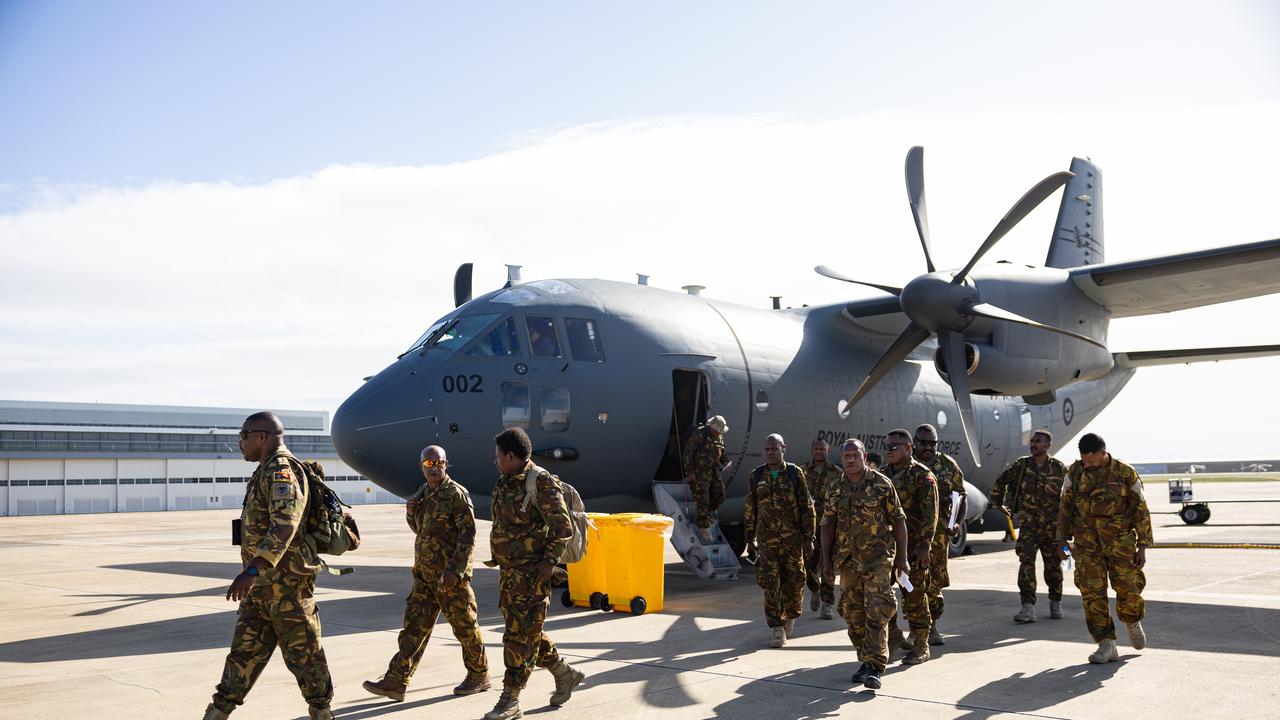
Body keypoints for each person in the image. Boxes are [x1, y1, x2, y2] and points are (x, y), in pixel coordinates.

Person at [203, 412, 334, 720]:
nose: (240, 443)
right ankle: (218, 712)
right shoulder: (264, 471)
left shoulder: (281, 471)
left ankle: (322, 712)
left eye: (243, 436)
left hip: (286, 587)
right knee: (243, 655)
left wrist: (252, 570)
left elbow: (285, 525)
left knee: (305, 657)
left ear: (261, 437)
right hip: (262, 588)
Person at [363, 445, 489, 702]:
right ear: (421, 466)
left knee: (465, 627)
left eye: (439, 463)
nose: (434, 468)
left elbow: (468, 538)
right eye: (429, 464)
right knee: (413, 628)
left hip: (450, 578)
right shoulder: (423, 493)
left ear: (446, 463)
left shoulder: (456, 494)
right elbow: (420, 530)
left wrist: (455, 571)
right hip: (424, 576)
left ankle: (479, 674)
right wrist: (411, 513)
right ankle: (396, 681)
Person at [485, 427, 585, 720]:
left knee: (518, 640)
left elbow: (563, 527)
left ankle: (510, 699)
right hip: (510, 574)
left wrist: (550, 560)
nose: (496, 461)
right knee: (528, 634)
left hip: (531, 576)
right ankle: (565, 674)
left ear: (512, 456)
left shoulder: (540, 482)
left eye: (498, 456)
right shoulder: (506, 481)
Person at [1057, 432, 1154, 664]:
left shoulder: (1124, 472)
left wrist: (1142, 545)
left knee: (1129, 588)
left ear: (1103, 452)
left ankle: (1131, 621)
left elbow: (1140, 509)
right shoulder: (1076, 472)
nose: (1088, 463)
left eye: (1092, 459)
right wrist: (1061, 539)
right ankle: (1106, 644)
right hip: (1086, 545)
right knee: (1091, 593)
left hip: (1120, 544)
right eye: (1084, 459)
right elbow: (1065, 506)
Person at [821, 438, 909, 690]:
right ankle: (865, 657)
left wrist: (901, 558)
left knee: (877, 609)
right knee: (852, 612)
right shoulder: (835, 487)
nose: (850, 460)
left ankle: (875, 665)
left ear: (864, 455)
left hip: (878, 559)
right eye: (846, 456)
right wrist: (826, 561)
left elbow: (899, 521)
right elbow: (827, 524)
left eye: (854, 455)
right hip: (847, 561)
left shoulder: (882, 484)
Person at [990, 429, 1068, 623]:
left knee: (1054, 567)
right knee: (1026, 565)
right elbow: (1001, 481)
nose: (1033, 444)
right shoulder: (1022, 465)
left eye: (1038, 441)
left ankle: (1055, 601)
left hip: (1052, 528)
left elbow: (1070, 498)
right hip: (1029, 527)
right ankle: (1027, 607)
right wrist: (1000, 505)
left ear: (1048, 445)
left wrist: (1068, 529)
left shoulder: (1059, 469)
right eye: (1032, 441)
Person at [744, 433, 815, 647]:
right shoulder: (756, 476)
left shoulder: (795, 474)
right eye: (766, 449)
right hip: (767, 543)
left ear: (784, 448)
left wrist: (808, 538)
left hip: (793, 542)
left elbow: (807, 507)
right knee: (771, 584)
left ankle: (790, 615)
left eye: (774, 449)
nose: (770, 453)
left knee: (794, 584)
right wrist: (750, 539)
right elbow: (750, 510)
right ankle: (776, 627)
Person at [880, 428, 938, 665]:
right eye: (888, 447)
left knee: (914, 596)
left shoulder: (922, 476)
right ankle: (894, 637)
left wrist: (924, 545)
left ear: (908, 447)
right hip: (886, 549)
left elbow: (930, 515)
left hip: (914, 549)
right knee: (882, 596)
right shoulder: (882, 475)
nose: (890, 451)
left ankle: (922, 644)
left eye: (894, 447)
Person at [913, 424, 966, 646]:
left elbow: (960, 495)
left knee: (934, 583)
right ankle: (917, 629)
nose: (928, 447)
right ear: (915, 443)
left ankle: (932, 626)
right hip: (913, 535)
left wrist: (956, 523)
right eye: (924, 443)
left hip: (938, 537)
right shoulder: (907, 466)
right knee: (913, 584)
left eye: (932, 443)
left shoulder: (947, 465)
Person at [803, 438, 843, 619]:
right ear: (812, 450)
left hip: (829, 525)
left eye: (822, 448)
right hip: (808, 527)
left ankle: (827, 603)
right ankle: (815, 589)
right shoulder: (802, 471)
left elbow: (841, 499)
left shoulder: (836, 473)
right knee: (806, 564)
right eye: (816, 448)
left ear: (828, 450)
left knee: (829, 564)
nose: (819, 451)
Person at [683, 415, 730, 543]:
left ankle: (706, 514)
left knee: (720, 495)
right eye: (718, 430)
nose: (720, 432)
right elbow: (688, 452)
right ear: (712, 428)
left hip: (713, 472)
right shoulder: (700, 434)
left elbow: (722, 451)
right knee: (702, 500)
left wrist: (725, 462)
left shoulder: (719, 436)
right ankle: (704, 529)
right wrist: (690, 472)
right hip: (700, 473)